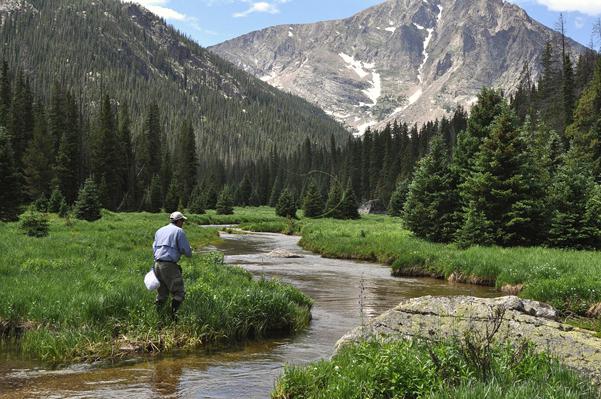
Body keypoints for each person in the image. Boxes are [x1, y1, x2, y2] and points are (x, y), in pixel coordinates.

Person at [153, 211, 192, 321]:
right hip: (169, 265)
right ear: (178, 221)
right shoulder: (179, 231)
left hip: (157, 264)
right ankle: (173, 318)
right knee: (179, 292)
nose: (183, 223)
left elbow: (154, 248)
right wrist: (189, 251)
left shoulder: (159, 230)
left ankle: (158, 318)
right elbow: (187, 251)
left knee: (162, 294)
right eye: (182, 221)